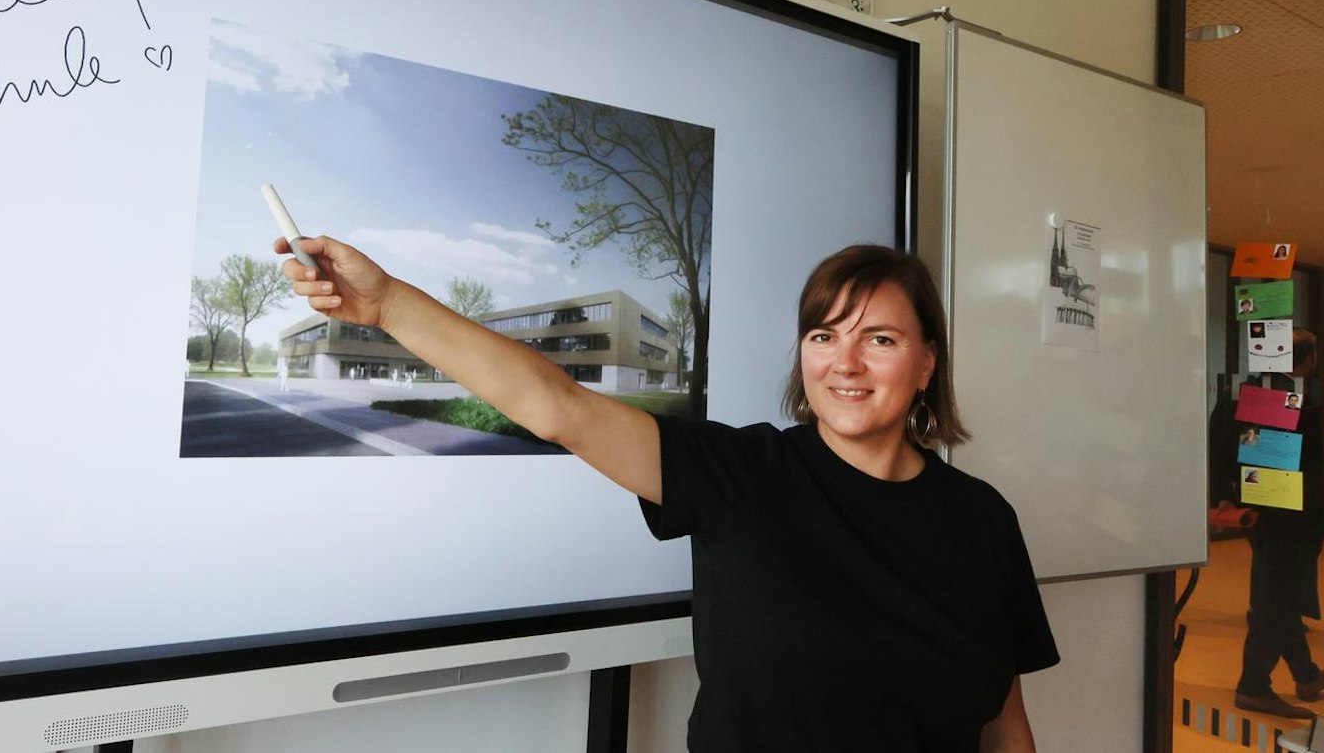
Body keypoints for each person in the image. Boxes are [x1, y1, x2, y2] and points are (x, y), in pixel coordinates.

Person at [276, 234, 1058, 752]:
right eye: (824, 335)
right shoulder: (741, 473)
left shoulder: (982, 520)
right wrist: (386, 303)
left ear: (927, 362)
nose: (844, 362)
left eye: (878, 338)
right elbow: (556, 405)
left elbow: (1002, 725)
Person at [1235, 330, 1324, 720]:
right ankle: (1253, 687)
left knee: (1281, 597)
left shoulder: (1256, 392)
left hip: (1270, 514)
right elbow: (1301, 468)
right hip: (1289, 519)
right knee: (1276, 603)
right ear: (1310, 360)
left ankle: (1306, 675)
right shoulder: (1288, 400)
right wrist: (1316, 515)